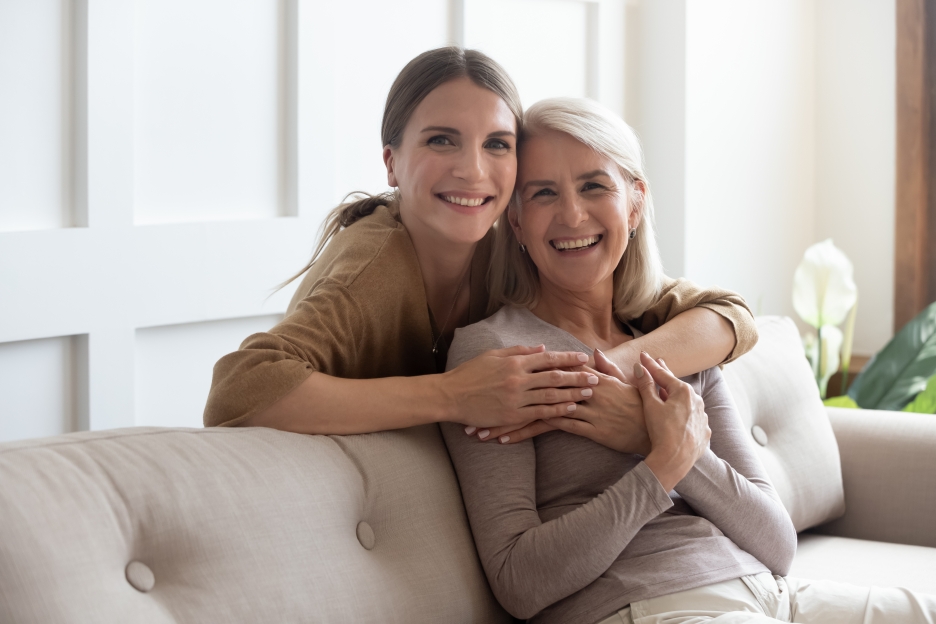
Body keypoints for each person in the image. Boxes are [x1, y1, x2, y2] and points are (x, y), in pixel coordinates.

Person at [440, 97, 936, 624]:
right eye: (543, 193)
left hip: (773, 594)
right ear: (516, 221)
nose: (573, 215)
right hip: (650, 606)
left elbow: (776, 543)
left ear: (634, 205)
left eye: (594, 186)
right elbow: (519, 581)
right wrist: (660, 466)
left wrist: (662, 442)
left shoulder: (677, 344)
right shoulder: (496, 354)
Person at [203, 47, 757, 442]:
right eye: (442, 140)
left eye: (497, 144)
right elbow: (237, 390)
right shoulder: (371, 267)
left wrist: (604, 371)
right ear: (391, 163)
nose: (473, 170)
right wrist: (453, 394)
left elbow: (731, 316)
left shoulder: (511, 248)